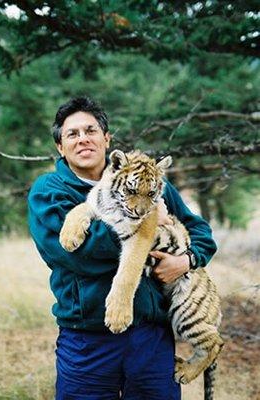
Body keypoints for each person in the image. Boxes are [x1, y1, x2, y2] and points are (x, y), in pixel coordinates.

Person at [28, 96, 217, 400]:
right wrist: (148, 224)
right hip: (88, 340)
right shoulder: (49, 191)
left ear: (106, 138)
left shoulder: (149, 181)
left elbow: (202, 233)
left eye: (90, 131)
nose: (83, 139)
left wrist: (187, 260)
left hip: (151, 336)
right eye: (72, 134)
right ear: (60, 147)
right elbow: (79, 256)